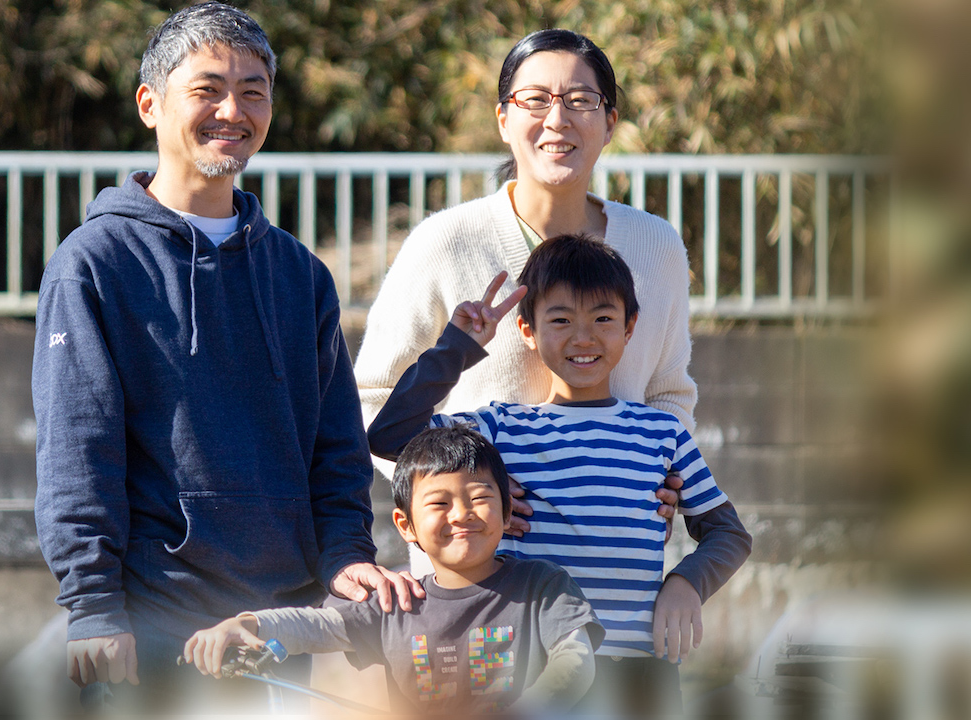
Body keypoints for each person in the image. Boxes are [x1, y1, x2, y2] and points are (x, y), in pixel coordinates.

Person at [31, 3, 420, 710]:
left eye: (253, 90)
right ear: (151, 104)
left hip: (277, 624)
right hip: (155, 624)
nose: (231, 110)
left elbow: (335, 449)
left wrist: (345, 556)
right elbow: (77, 448)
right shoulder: (95, 264)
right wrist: (92, 605)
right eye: (207, 88)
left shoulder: (299, 274)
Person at [366, 234, 752, 715]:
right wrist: (458, 346)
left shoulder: (661, 432)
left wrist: (687, 583)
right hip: (529, 669)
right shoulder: (498, 429)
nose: (583, 337)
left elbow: (728, 533)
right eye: (561, 320)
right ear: (527, 330)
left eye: (603, 319)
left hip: (634, 668)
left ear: (630, 327)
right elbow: (389, 435)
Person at [354, 28, 691, 550]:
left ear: (610, 124)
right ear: (504, 120)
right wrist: (458, 483)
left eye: (581, 101)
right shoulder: (446, 241)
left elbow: (668, 394)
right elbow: (372, 400)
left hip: (611, 569)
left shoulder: (655, 245)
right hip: (473, 579)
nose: (558, 120)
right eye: (534, 100)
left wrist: (665, 479)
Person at [184, 426, 605, 714]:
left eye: (479, 497)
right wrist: (249, 625)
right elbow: (314, 626)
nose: (462, 514)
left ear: (507, 508)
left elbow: (576, 659)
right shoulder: (397, 601)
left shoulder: (544, 585)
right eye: (439, 504)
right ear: (405, 525)